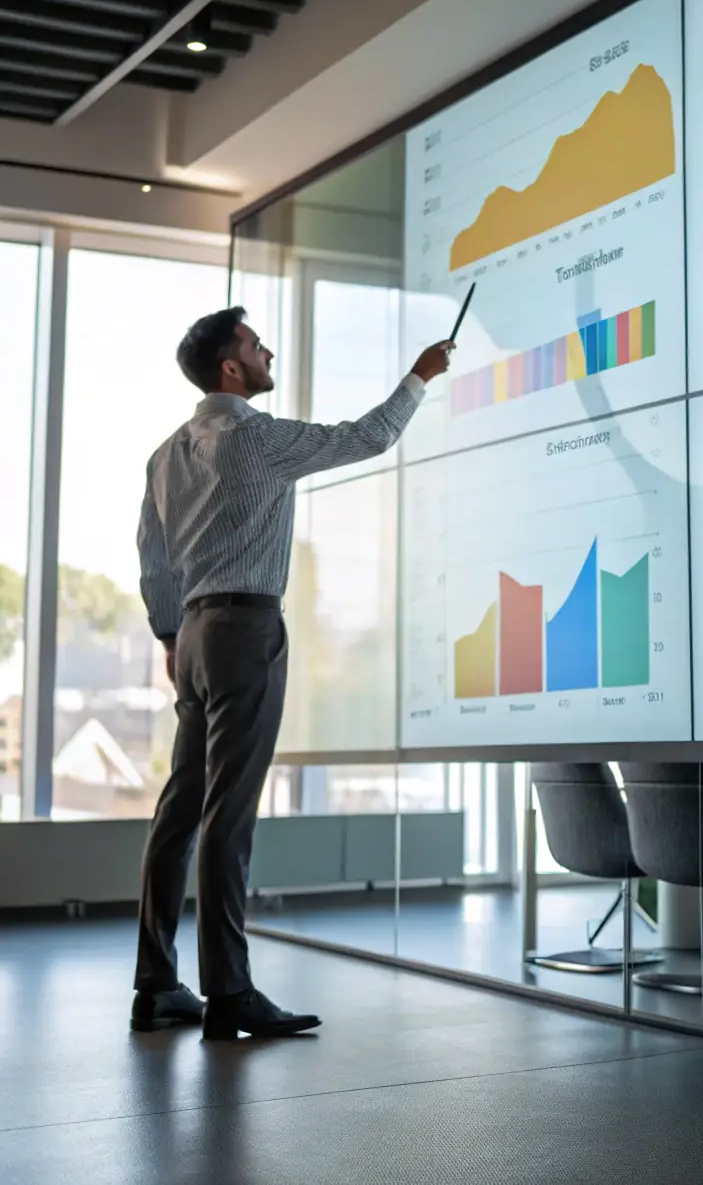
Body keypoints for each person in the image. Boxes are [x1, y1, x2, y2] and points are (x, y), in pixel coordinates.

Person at [130, 307, 452, 1040]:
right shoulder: (258, 438)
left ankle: (156, 986)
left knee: (181, 808)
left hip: (196, 633)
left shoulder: (165, 454)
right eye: (255, 344)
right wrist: (419, 376)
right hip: (245, 628)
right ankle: (230, 994)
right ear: (232, 370)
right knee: (227, 812)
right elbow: (368, 436)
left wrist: (170, 633)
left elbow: (151, 556)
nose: (268, 350)